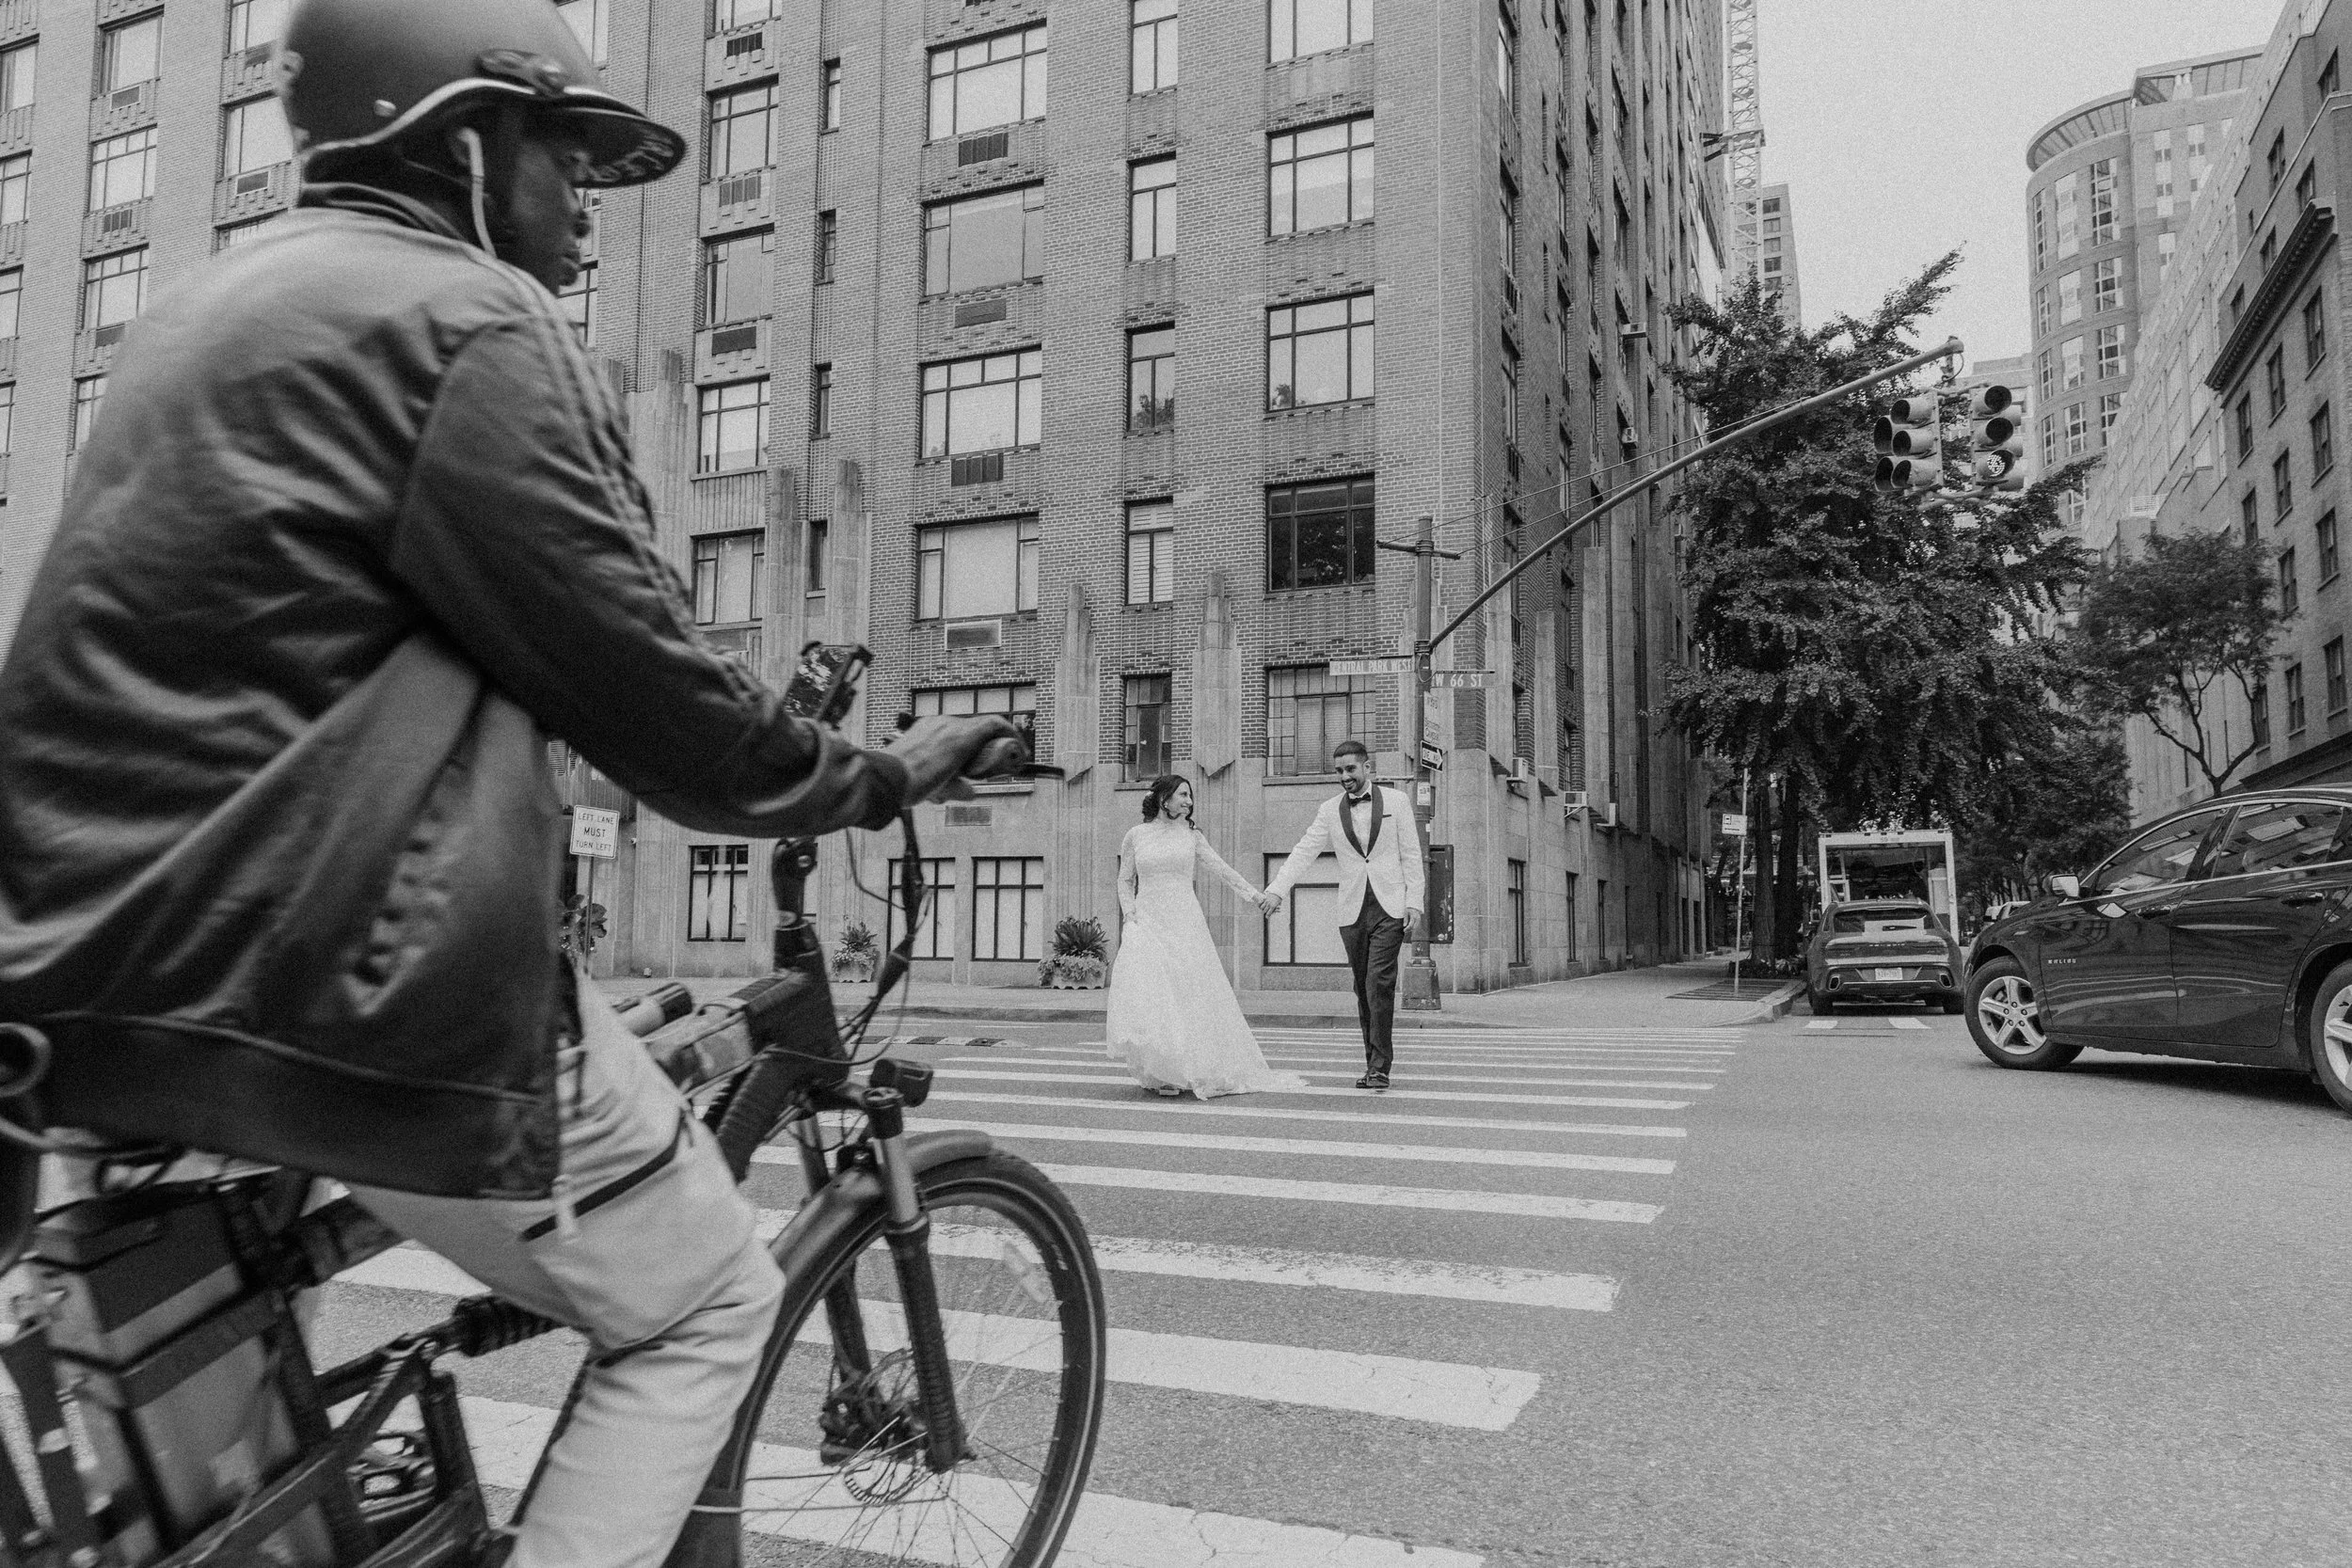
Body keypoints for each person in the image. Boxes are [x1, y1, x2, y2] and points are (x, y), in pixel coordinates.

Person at [0, 3, 1017, 1565]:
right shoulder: (471, 323)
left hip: (82, 981)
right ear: (464, 141)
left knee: (221, 1427)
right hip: (329, 973)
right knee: (704, 1301)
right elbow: (661, 703)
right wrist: (869, 776)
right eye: (566, 153)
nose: (590, 202)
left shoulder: (205, 308)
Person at [1105, 777, 1306, 1098]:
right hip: (1147, 920)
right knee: (1155, 993)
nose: (1189, 801)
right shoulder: (1135, 835)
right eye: (1183, 794)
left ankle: (1189, 1067)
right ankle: (1163, 1071)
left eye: (1190, 795)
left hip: (1184, 921)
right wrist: (1130, 914)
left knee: (1188, 992)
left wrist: (1256, 896)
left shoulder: (1192, 836)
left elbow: (1223, 869)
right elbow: (1124, 880)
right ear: (1164, 799)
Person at [1262, 741, 1424, 1090]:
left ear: (1367, 767)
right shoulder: (1329, 810)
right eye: (1339, 771)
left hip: (1389, 906)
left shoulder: (1397, 801)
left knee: (1379, 983)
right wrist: (1277, 889)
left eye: (1350, 769)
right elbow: (1304, 851)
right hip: (1352, 909)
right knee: (1363, 987)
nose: (1345, 776)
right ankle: (1373, 1064)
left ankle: (1379, 1068)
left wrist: (1415, 901)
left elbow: (1411, 854)